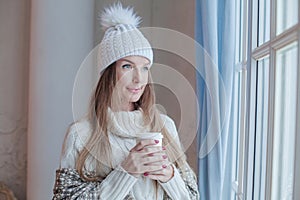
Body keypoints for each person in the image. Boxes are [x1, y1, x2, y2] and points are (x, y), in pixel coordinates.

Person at [52, 3, 199, 200]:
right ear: (109, 73)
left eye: (145, 67)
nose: (139, 78)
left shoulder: (166, 127)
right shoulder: (81, 135)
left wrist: (170, 177)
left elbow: (192, 196)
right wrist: (125, 173)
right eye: (128, 66)